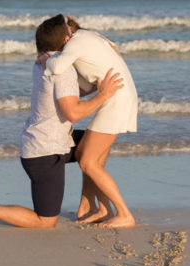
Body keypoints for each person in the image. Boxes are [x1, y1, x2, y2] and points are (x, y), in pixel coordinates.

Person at [0, 16, 124, 230]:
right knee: (45, 221)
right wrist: (102, 96)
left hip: (49, 142)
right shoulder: (62, 69)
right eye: (71, 35)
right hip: (45, 153)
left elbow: (69, 94)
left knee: (95, 145)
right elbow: (73, 112)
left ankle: (90, 204)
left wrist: (97, 87)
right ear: (66, 41)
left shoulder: (45, 63)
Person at [40, 14, 137, 228]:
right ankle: (99, 208)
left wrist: (48, 57)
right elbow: (87, 83)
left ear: (64, 39)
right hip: (118, 97)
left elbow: (55, 67)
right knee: (86, 153)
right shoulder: (88, 37)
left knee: (87, 162)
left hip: (116, 100)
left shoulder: (76, 43)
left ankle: (124, 213)